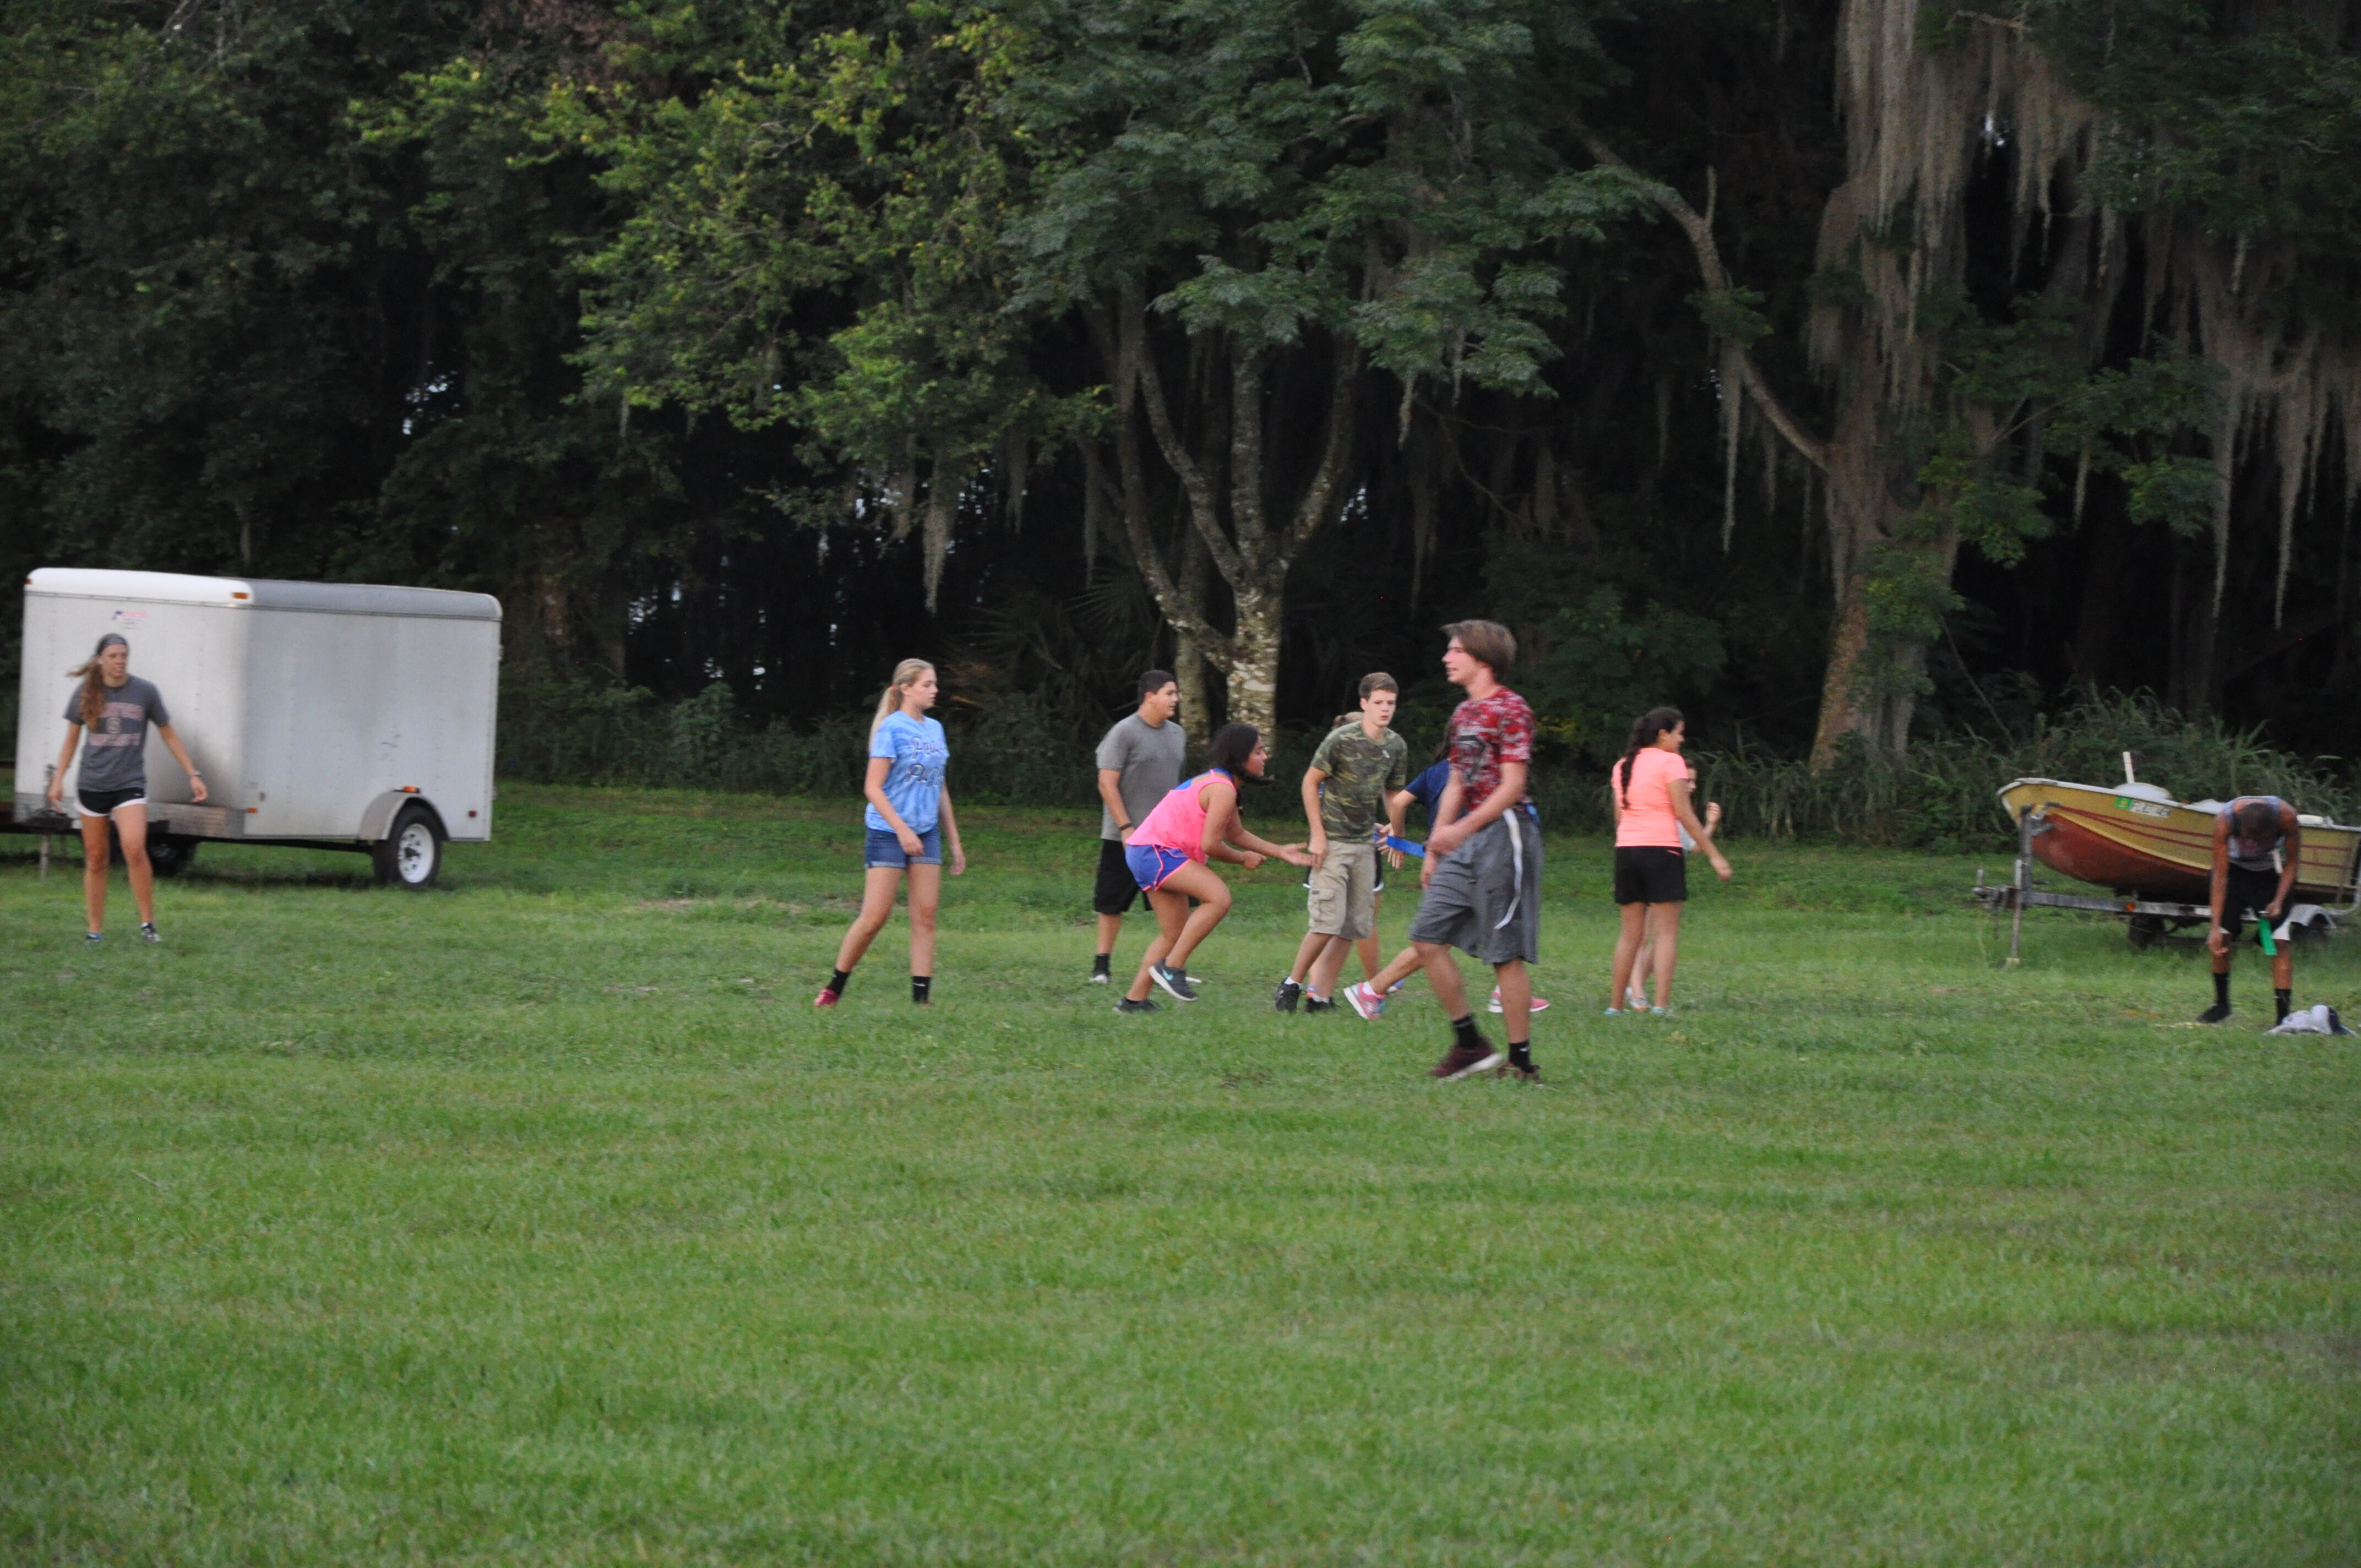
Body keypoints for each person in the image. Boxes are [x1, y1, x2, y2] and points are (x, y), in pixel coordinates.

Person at [1342, 621, 1543, 1081]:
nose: (1446, 658)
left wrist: (1463, 829)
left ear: (1482, 658)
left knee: (1504, 952)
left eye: (1455, 651)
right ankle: (1470, 1045)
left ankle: (1521, 1062)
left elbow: (1513, 786)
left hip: (1507, 834)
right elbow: (1455, 781)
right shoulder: (1464, 713)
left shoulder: (1512, 709)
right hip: (1463, 840)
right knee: (1427, 937)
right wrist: (1436, 846)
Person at [1116, 723, 1311, 1012]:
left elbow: (1237, 834)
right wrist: (1242, 859)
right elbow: (1211, 844)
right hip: (1155, 852)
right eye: (1258, 752)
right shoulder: (1222, 789)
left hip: (1145, 852)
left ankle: (1134, 1001)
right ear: (1240, 757)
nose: (1265, 757)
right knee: (1219, 898)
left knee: (1174, 934)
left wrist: (1280, 851)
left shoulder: (1221, 783)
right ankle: (1172, 968)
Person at [815, 659, 966, 1007]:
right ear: (906, 689)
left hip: (926, 831)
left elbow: (939, 787)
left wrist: (955, 842)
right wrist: (902, 831)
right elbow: (872, 787)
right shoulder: (891, 728)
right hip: (888, 832)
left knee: (926, 916)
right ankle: (834, 988)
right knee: (875, 917)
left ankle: (921, 1001)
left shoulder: (935, 729)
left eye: (934, 684)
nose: (935, 690)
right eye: (927, 684)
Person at [45, 633, 208, 943]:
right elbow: (71, 741)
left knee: (134, 848)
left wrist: (193, 774)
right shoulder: (86, 692)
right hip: (92, 784)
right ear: (100, 660)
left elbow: (169, 734)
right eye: (114, 656)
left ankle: (148, 925)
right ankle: (95, 931)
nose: (120, 661)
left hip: (129, 783)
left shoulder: (145, 692)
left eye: (124, 655)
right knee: (96, 858)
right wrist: (57, 780)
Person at [1275, 676, 1409, 1014]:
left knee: (1352, 927)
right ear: (1364, 704)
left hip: (1364, 845)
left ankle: (1320, 997)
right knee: (1326, 924)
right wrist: (1317, 835)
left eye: (1390, 703)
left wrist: (1397, 829)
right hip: (1333, 842)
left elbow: (1393, 793)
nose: (1385, 709)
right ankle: (1292, 984)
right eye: (1378, 703)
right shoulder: (1341, 739)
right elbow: (1310, 783)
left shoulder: (1396, 746)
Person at [1605, 707, 1731, 1016]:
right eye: (1679, 733)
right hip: (1663, 851)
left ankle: (1615, 1006)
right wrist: (1715, 855)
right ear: (1663, 735)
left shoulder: (1623, 765)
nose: (1682, 739)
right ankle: (1661, 1005)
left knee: (1630, 936)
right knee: (1665, 935)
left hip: (1627, 852)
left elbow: (1620, 818)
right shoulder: (1671, 762)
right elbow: (1684, 813)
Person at [1089, 671, 1188, 983]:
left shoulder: (1177, 734)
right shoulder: (1124, 732)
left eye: (1176, 693)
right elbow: (1106, 784)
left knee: (1176, 903)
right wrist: (1126, 827)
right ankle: (1101, 966)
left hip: (1165, 837)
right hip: (1125, 835)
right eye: (1170, 693)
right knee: (1111, 903)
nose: (1176, 699)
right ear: (1150, 696)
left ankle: (1172, 966)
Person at [2199, 795, 2303, 1025]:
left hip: (2271, 875)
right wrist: (2214, 928)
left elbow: (2292, 863)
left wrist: (2278, 900)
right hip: (2234, 873)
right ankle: (2222, 1006)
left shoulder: (2287, 817)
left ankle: (2283, 1019)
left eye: (2261, 840)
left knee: (2280, 941)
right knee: (2222, 938)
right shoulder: (2225, 821)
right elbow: (2220, 875)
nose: (2253, 846)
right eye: (2247, 839)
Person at [1625, 801, 1721, 1009]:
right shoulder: (1659, 811)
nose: (1692, 787)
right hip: (1648, 873)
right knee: (1641, 936)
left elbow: (1695, 846)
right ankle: (1637, 994)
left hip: (1668, 876)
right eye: (1688, 783)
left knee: (1661, 940)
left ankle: (1634, 988)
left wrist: (1711, 824)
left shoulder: (1682, 813)